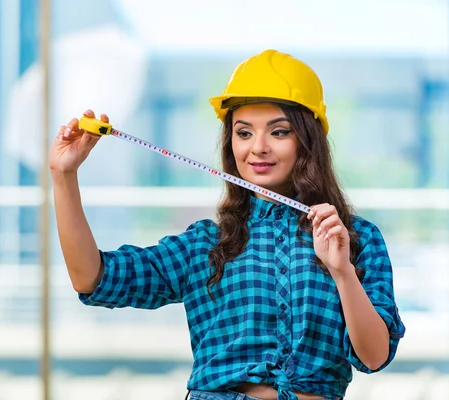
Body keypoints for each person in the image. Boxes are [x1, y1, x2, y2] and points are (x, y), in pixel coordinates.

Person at [49, 49, 406, 400]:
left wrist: (342, 271)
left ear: (307, 139)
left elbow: (374, 357)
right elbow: (94, 278)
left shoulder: (357, 239)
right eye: (244, 132)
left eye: (279, 132)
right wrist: (64, 176)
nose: (259, 148)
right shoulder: (207, 243)